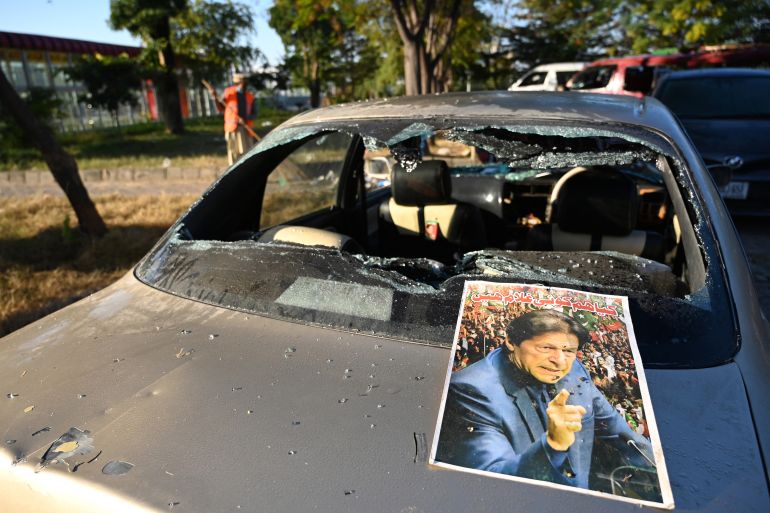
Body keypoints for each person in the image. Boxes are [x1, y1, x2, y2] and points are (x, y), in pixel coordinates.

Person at [436, 309, 655, 490]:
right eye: (546, 348)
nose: (559, 361)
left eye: (569, 350)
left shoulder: (574, 370)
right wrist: (553, 445)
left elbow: (620, 432)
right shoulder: (470, 389)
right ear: (511, 342)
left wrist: (660, 468)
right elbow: (490, 482)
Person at [217, 72, 258, 165]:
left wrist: (246, 118)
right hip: (232, 128)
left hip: (246, 129)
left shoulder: (250, 96)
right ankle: (233, 173)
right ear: (238, 83)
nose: (244, 85)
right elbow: (220, 108)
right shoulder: (228, 93)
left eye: (246, 83)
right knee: (233, 153)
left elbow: (254, 114)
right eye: (243, 82)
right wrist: (216, 98)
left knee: (247, 153)